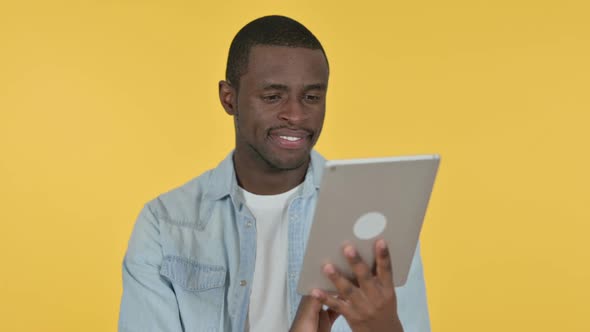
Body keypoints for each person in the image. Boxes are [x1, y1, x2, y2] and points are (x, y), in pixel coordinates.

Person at [119, 15, 430, 332]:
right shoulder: (165, 224)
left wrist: (386, 328)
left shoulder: (378, 217)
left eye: (311, 97)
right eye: (272, 96)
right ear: (229, 98)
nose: (295, 115)